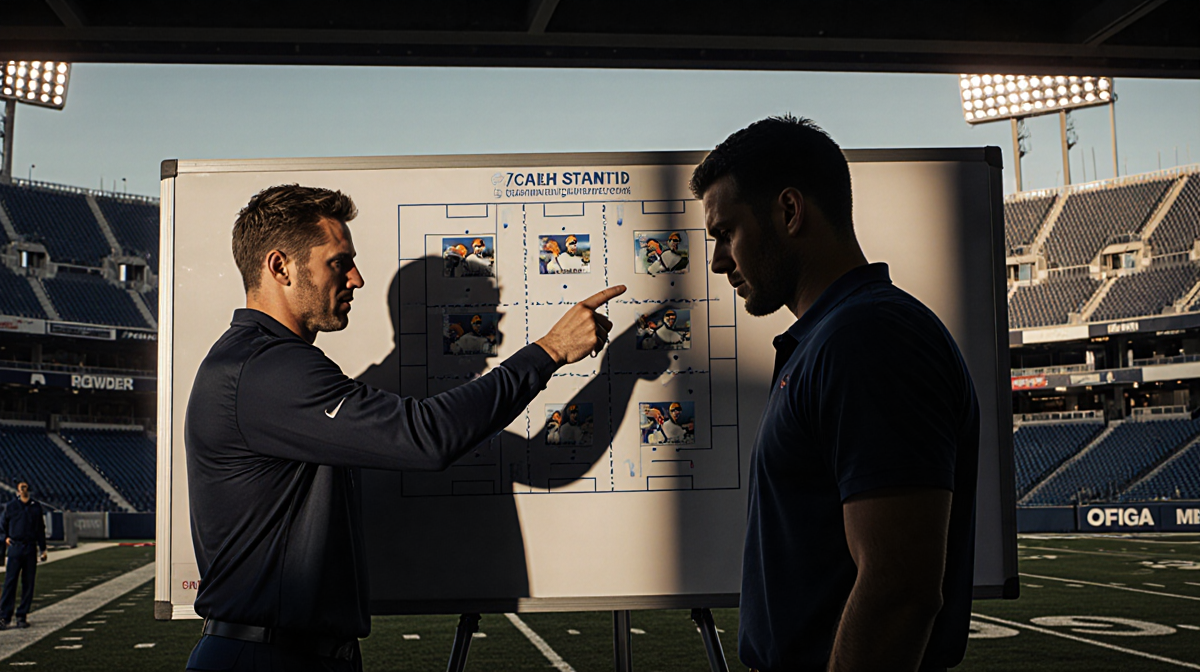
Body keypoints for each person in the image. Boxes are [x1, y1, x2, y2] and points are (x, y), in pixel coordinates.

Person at [184, 184, 623, 671]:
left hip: (287, 652)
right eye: (339, 262)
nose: (356, 278)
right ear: (280, 267)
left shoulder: (264, 365)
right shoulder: (267, 372)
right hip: (265, 658)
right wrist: (550, 350)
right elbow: (425, 437)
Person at [691, 115, 979, 672]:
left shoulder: (868, 337)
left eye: (726, 232)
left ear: (789, 211)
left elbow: (899, 588)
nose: (719, 260)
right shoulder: (834, 336)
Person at [0, 482, 47, 631]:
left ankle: (22, 615)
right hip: (15, 546)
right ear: (18, 490)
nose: (23, 489)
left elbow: (40, 529)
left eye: (25, 486)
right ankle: (4, 616)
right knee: (10, 582)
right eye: (21, 487)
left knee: (28, 583)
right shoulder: (11, 506)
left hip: (30, 547)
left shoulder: (35, 507)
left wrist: (43, 548)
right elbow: (2, 525)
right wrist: (5, 538)